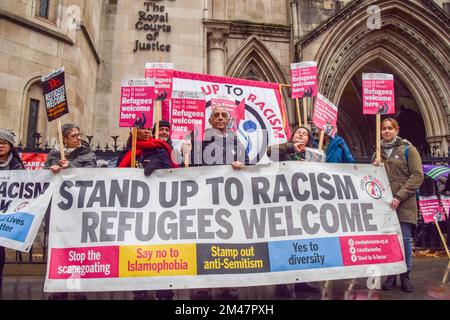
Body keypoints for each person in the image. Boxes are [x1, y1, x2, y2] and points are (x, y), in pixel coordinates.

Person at [185, 105, 249, 300]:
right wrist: (186, 154)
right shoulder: (199, 139)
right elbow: (189, 167)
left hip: (228, 199)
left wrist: (241, 165)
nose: (220, 118)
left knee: (227, 241)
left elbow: (247, 164)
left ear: (229, 120)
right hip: (205, 197)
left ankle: (225, 286)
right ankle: (202, 287)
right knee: (203, 240)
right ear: (210, 120)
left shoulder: (237, 141)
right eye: (216, 115)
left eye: (224, 115)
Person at [116, 124, 178, 300]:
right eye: (141, 129)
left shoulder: (160, 149)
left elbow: (172, 172)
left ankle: (163, 288)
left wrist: (157, 164)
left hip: (159, 207)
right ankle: (139, 287)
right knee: (138, 248)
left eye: (147, 129)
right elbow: (117, 173)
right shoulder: (129, 150)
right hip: (135, 207)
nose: (146, 131)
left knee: (162, 247)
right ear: (134, 133)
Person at [266, 126, 321, 297]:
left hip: (303, 204)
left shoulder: (313, 155)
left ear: (308, 140)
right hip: (283, 201)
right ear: (293, 136)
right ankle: (281, 283)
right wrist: (291, 147)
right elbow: (269, 152)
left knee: (301, 244)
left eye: (305, 134)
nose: (302, 135)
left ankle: (301, 281)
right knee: (283, 242)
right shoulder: (283, 151)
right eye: (299, 133)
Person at [44, 124, 97, 300]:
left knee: (79, 248)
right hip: (60, 211)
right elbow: (45, 177)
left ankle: (79, 286)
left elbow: (91, 173)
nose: (78, 138)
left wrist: (71, 166)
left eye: (79, 134)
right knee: (61, 247)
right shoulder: (53, 154)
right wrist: (52, 170)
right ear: (64, 139)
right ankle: (61, 287)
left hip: (80, 208)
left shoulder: (87, 153)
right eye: (74, 136)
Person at [373, 118, 424, 292]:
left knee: (404, 240)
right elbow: (371, 181)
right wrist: (374, 168)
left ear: (396, 130)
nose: (386, 131)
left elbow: (417, 176)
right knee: (388, 240)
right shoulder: (377, 153)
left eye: (390, 128)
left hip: (404, 203)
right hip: (384, 205)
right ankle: (391, 275)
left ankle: (405, 274)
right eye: (384, 129)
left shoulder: (409, 150)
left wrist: (399, 196)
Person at [0, 129, 25, 293]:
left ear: (10, 146)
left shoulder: (17, 164)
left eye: (4, 142)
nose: (1, 145)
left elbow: (27, 186)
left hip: (6, 215)